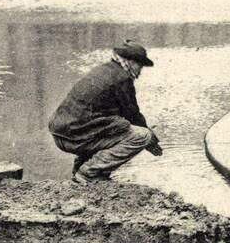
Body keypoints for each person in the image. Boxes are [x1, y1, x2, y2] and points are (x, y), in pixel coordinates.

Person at [49, 40, 163, 183]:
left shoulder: (103, 70)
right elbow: (132, 115)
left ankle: (79, 170)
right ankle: (89, 173)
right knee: (142, 135)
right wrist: (151, 140)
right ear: (131, 62)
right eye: (140, 65)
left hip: (61, 133)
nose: (140, 71)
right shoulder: (122, 79)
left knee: (113, 127)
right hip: (75, 137)